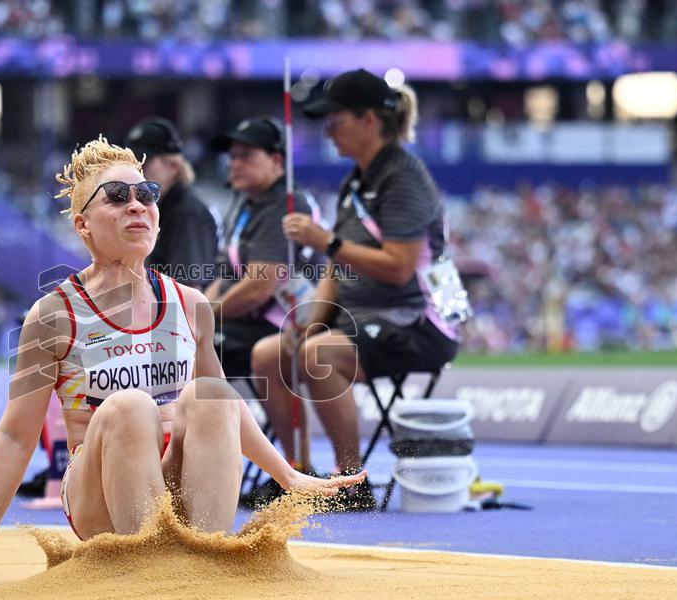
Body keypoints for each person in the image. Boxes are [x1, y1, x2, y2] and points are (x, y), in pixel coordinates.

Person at [0, 137, 365, 574]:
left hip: (177, 482)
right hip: (98, 495)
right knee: (130, 406)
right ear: (83, 225)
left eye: (146, 194)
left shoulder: (190, 303)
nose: (136, 205)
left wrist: (287, 475)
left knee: (210, 393)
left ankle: (206, 560)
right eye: (117, 197)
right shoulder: (52, 315)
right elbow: (15, 436)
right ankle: (145, 567)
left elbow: (223, 407)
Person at [250, 69, 461, 511]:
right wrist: (311, 322)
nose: (327, 132)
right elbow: (337, 266)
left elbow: (399, 269)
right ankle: (298, 473)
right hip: (362, 320)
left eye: (335, 121)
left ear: (369, 121)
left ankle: (351, 481)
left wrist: (325, 240)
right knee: (269, 353)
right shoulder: (356, 182)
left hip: (417, 321)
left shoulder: (403, 179)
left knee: (318, 355)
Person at [205, 115, 319, 385]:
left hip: (281, 323)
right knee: (177, 341)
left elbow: (258, 288)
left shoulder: (286, 206)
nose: (234, 164)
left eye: (246, 156)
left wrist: (204, 317)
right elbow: (225, 278)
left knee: (186, 351)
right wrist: (199, 313)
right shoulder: (249, 205)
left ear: (276, 161)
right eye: (232, 157)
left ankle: (210, 414)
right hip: (247, 321)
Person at [124, 117, 217, 290]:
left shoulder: (186, 213)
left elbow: (189, 289)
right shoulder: (157, 206)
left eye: (142, 162)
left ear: (173, 165)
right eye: (130, 162)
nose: (134, 169)